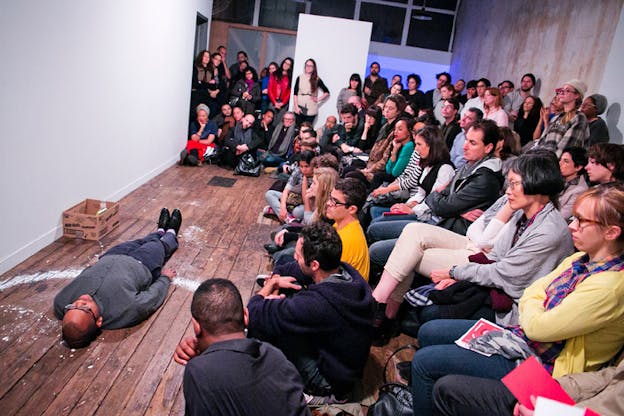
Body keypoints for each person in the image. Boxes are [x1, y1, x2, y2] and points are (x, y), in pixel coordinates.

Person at [411, 183, 624, 416]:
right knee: (430, 330)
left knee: (425, 362)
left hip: (545, 365)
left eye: (581, 221)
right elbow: (533, 290)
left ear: (611, 232)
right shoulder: (581, 258)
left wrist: (534, 305)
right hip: (523, 336)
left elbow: (537, 326)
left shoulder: (611, 285)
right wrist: (535, 303)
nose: (572, 226)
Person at [247, 222, 374, 404]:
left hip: (329, 381)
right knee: (285, 296)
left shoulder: (318, 304)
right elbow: (289, 269)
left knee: (265, 329)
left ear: (314, 265)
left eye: (298, 255)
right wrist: (277, 277)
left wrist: (271, 285)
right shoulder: (344, 271)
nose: (295, 258)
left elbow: (254, 311)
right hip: (344, 364)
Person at [173, 278, 309, 416]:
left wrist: (201, 362)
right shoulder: (275, 355)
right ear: (245, 316)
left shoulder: (198, 373)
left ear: (196, 326)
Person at [53, 208, 182, 348]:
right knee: (159, 245)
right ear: (99, 321)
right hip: (144, 263)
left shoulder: (61, 302)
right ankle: (171, 231)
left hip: (112, 256)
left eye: (73, 306)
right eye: (85, 308)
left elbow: (81, 279)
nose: (81, 300)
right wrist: (165, 278)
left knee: (141, 241)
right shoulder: (125, 311)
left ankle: (160, 230)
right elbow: (152, 298)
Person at [432, 356, 624, 416]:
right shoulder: (575, 263)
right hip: (574, 402)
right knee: (447, 387)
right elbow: (610, 376)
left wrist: (552, 413)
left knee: (429, 361)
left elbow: (539, 327)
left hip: (546, 356)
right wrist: (554, 389)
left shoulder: (609, 285)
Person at [326, 177, 370, 281]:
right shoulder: (340, 224)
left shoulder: (347, 239)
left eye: (335, 202)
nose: (328, 203)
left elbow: (328, 278)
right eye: (330, 198)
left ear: (352, 209)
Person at [535, 79, 590, 156]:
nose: (561, 92)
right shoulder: (556, 118)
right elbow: (541, 142)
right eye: (561, 90)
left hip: (555, 163)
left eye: (567, 90)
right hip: (542, 159)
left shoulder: (579, 118)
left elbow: (565, 151)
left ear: (577, 95)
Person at [293, 59, 330, 126]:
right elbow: (295, 93)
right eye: (307, 65)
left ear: (314, 68)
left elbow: (327, 92)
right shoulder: (300, 77)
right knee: (297, 128)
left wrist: (318, 99)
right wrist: (296, 106)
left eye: (311, 66)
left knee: (307, 128)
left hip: (311, 108)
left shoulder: (317, 79)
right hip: (299, 107)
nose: (308, 67)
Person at [558, 146, 589, 220]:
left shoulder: (580, 190)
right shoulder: (557, 179)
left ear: (578, 167)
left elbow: (561, 217)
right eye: (560, 160)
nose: (559, 163)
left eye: (566, 161)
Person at [190, 51, 222, 119]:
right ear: (201, 57)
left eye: (208, 57)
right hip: (196, 93)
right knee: (194, 112)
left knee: (213, 108)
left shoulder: (211, 70)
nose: (207, 58)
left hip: (206, 94)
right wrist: (208, 84)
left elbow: (213, 86)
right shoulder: (195, 68)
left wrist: (202, 83)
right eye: (205, 56)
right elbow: (195, 84)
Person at [268, 57, 293, 121]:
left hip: (283, 104)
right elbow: (270, 89)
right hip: (273, 101)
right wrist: (275, 102)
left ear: (290, 67)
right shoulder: (275, 74)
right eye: (285, 62)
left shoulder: (291, 77)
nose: (285, 65)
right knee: (269, 120)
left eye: (288, 64)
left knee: (279, 122)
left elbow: (289, 92)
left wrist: (283, 103)